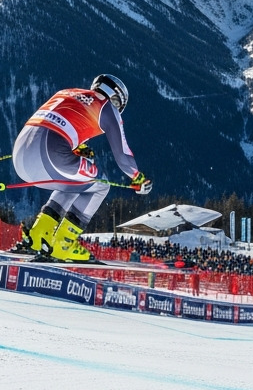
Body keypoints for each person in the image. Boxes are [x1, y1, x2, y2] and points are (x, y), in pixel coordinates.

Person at [11, 74, 151, 262]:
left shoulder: (68, 92)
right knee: (101, 185)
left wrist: (75, 148)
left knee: (75, 181)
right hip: (51, 155)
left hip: (20, 156)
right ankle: (63, 244)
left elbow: (56, 123)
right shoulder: (107, 107)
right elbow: (122, 156)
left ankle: (38, 236)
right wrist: (138, 178)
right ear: (116, 97)